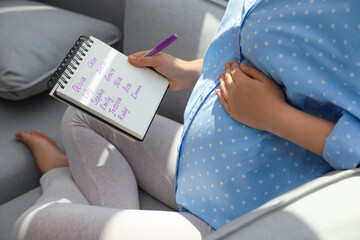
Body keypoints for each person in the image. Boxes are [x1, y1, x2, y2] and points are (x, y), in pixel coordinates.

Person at [13, 0, 360, 239]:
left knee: (30, 226)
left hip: (231, 216)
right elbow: (251, 53)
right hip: (191, 162)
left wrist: (274, 116)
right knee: (84, 113)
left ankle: (59, 174)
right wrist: (188, 71)